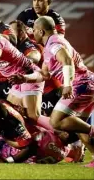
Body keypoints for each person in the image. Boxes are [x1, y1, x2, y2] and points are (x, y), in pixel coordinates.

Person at [9, 16, 94, 167]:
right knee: (77, 127)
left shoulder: (54, 42)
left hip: (80, 85)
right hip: (86, 84)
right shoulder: (50, 45)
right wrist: (24, 78)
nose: (33, 33)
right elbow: (44, 75)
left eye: (34, 30)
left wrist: (67, 84)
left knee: (56, 121)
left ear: (41, 31)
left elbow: (66, 60)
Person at [9, 20, 62, 117]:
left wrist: (25, 62)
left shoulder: (29, 45)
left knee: (55, 125)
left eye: (11, 31)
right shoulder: (17, 46)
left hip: (50, 91)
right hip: (32, 87)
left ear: (21, 32)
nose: (9, 34)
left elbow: (34, 56)